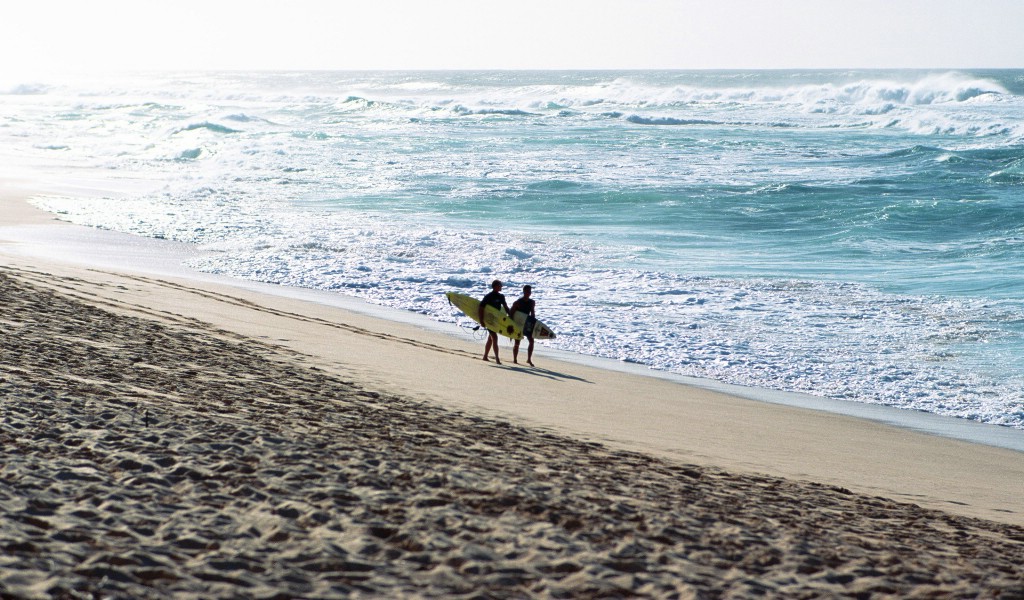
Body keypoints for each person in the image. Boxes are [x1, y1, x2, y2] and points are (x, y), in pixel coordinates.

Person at [478, 279, 510, 364]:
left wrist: (510, 317)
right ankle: (497, 358)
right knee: (494, 337)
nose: (501, 287)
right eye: (500, 285)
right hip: (488, 320)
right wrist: (481, 320)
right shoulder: (488, 296)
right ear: (495, 286)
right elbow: (481, 308)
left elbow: (506, 307)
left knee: (490, 338)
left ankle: (485, 356)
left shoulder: (501, 296)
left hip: (496, 320)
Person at [510, 285, 537, 366]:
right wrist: (511, 325)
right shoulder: (517, 302)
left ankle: (529, 359)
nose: (529, 293)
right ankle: (515, 359)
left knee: (531, 341)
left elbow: (532, 313)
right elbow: (511, 314)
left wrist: (533, 324)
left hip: (527, 323)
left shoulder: (532, 302)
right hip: (518, 324)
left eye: (530, 291)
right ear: (524, 292)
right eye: (527, 291)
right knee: (517, 342)